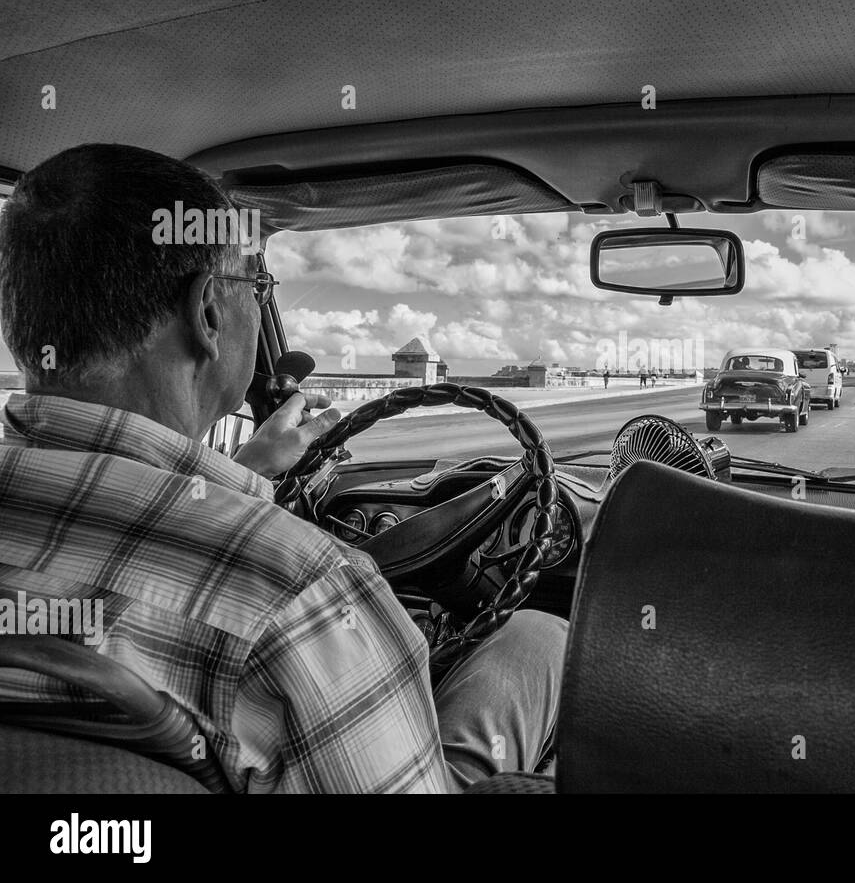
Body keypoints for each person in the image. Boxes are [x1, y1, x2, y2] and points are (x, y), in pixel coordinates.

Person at [0, 144, 566, 793]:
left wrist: (245, 474)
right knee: (535, 642)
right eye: (257, 286)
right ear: (208, 311)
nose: (260, 302)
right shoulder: (298, 590)